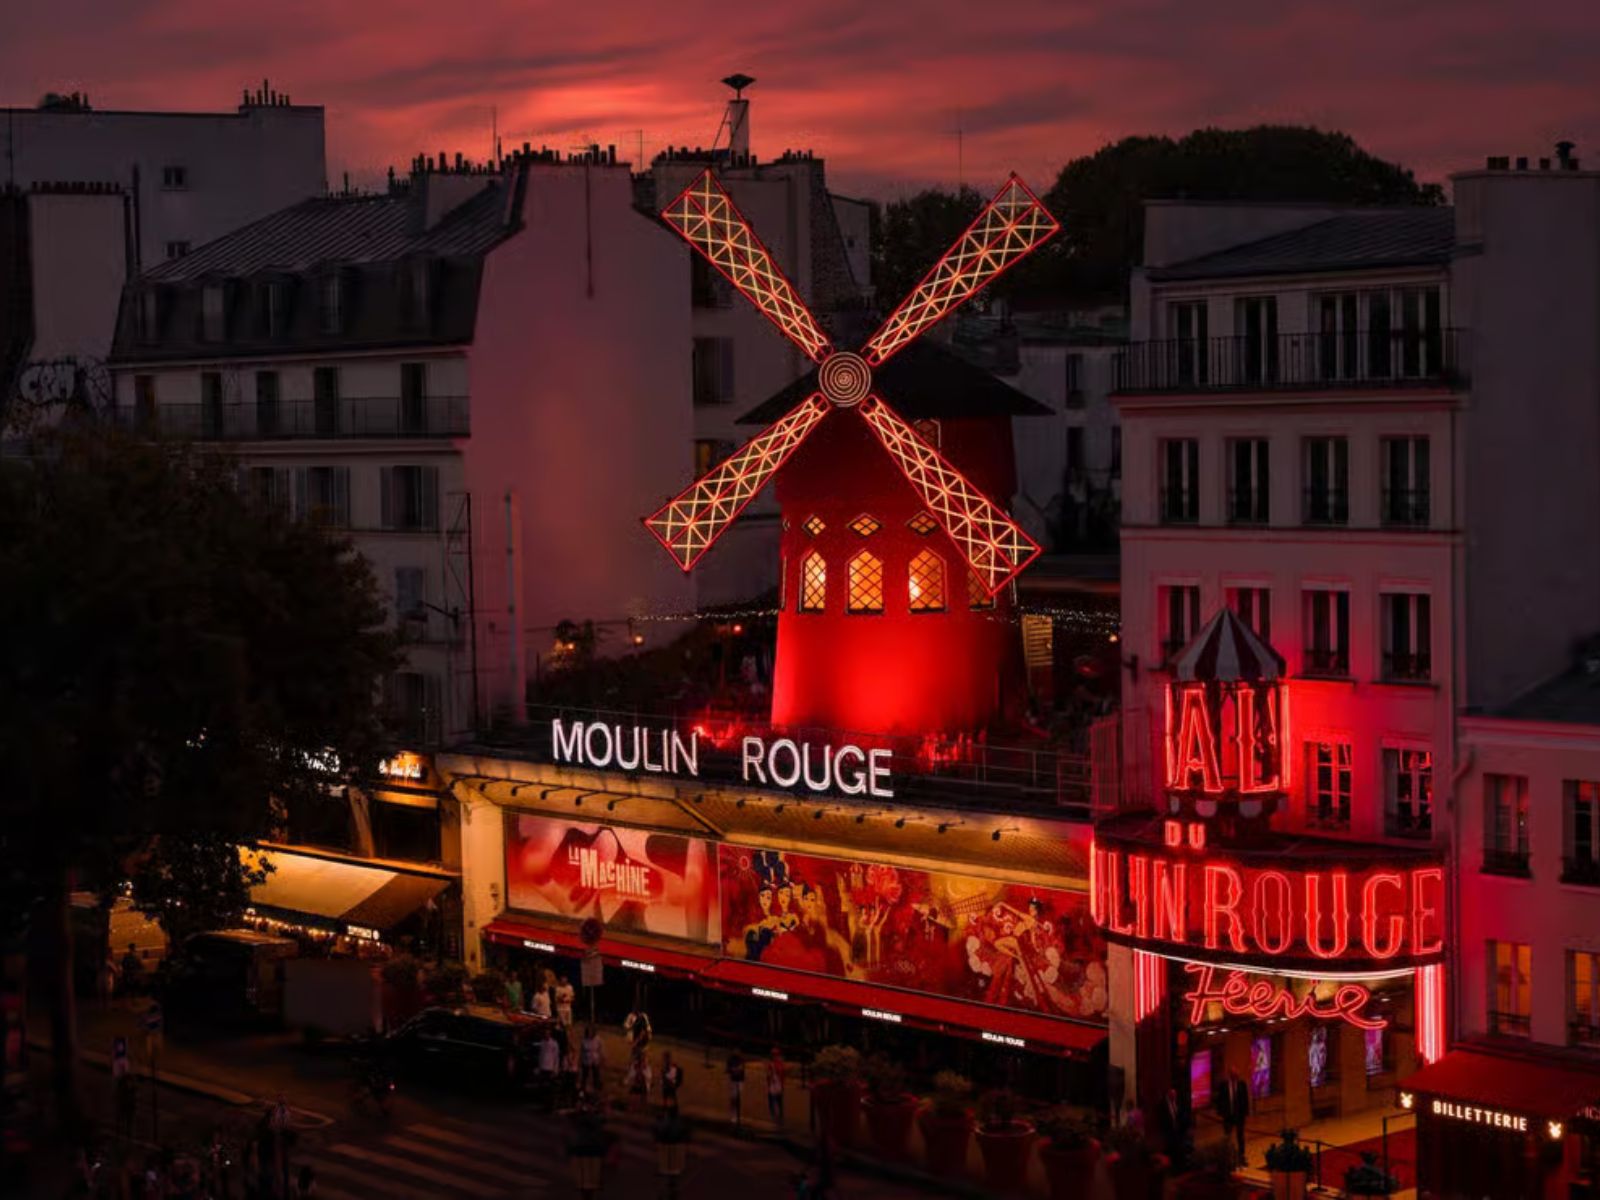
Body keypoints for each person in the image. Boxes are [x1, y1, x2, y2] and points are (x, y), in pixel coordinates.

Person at [1218, 1067, 1250, 1162]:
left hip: (1239, 1116)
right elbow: (1220, 1100)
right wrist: (1221, 1113)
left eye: (1236, 1074)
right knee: (1227, 1136)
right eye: (1233, 1074)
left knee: (1240, 1136)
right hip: (1228, 1116)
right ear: (1230, 1075)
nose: (1235, 1076)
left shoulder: (1242, 1085)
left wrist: (1246, 1113)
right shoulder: (1224, 1086)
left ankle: (1241, 1155)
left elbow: (1245, 1100)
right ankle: (1227, 1155)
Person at [1159, 1087, 1189, 1169]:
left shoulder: (1177, 1102)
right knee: (1171, 1150)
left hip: (1178, 1131)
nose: (1174, 1097)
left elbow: (1180, 1115)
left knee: (1179, 1149)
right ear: (1168, 1094)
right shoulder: (1163, 1105)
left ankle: (1179, 1166)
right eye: (1172, 1095)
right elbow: (1162, 1120)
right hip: (1169, 1132)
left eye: (1175, 1095)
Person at [538, 1027, 561, 1111]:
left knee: (550, 1088)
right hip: (543, 1067)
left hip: (550, 1068)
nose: (546, 1035)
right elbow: (540, 1056)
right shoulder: (542, 1043)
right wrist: (539, 1067)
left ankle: (550, 1106)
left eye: (548, 1033)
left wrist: (555, 1069)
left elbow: (556, 1057)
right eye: (545, 1033)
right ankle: (544, 1105)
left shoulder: (554, 1043)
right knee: (543, 1088)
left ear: (550, 1034)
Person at [580, 1024, 604, 1098]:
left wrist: (601, 1058)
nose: (590, 1033)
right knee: (585, 1075)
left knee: (596, 1075)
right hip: (586, 1059)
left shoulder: (598, 1039)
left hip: (595, 1059)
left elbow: (600, 1049)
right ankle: (583, 1089)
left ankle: (596, 1091)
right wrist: (581, 1060)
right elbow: (582, 1051)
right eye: (588, 1032)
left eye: (591, 1031)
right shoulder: (584, 1040)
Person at [765, 1046, 787, 1127]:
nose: (774, 1056)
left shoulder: (777, 1063)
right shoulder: (776, 1063)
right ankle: (776, 1115)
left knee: (776, 1100)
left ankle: (777, 1115)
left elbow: (781, 1073)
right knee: (775, 1100)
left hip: (776, 1083)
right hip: (775, 1084)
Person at [726, 1049, 746, 1130]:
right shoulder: (730, 1060)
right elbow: (728, 1070)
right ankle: (734, 1116)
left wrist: (735, 1070)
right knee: (734, 1098)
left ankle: (737, 1116)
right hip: (733, 1081)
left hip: (740, 1081)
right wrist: (732, 1070)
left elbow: (741, 1069)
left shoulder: (741, 1060)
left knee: (737, 1098)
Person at [660, 1051, 682, 1115]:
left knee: (671, 1098)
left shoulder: (671, 1066)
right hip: (667, 1085)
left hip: (669, 1085)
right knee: (666, 1098)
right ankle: (666, 1112)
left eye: (664, 1057)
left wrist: (665, 1076)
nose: (663, 1059)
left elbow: (671, 1076)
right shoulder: (666, 1065)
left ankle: (672, 1112)